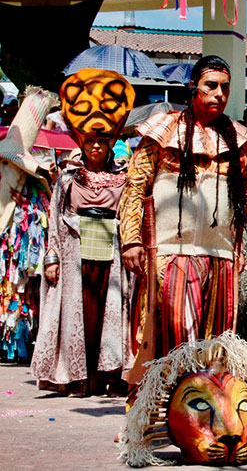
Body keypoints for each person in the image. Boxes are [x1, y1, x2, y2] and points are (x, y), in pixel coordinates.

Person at [119, 56, 247, 375]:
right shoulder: (164, 131)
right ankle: (152, 418)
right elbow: (135, 187)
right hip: (169, 255)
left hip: (219, 257)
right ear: (194, 87)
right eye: (211, 86)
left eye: (225, 87)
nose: (219, 93)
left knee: (213, 349)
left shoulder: (239, 141)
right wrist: (131, 239)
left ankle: (201, 418)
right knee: (168, 339)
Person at [32, 69, 135, 396]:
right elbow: (54, 221)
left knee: (109, 315)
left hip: (112, 256)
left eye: (101, 142)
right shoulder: (67, 180)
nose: (95, 147)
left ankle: (107, 376)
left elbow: (131, 216)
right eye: (90, 141)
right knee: (80, 317)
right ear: (82, 142)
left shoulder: (124, 180)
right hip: (75, 257)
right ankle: (78, 377)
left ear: (109, 146)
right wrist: (51, 258)